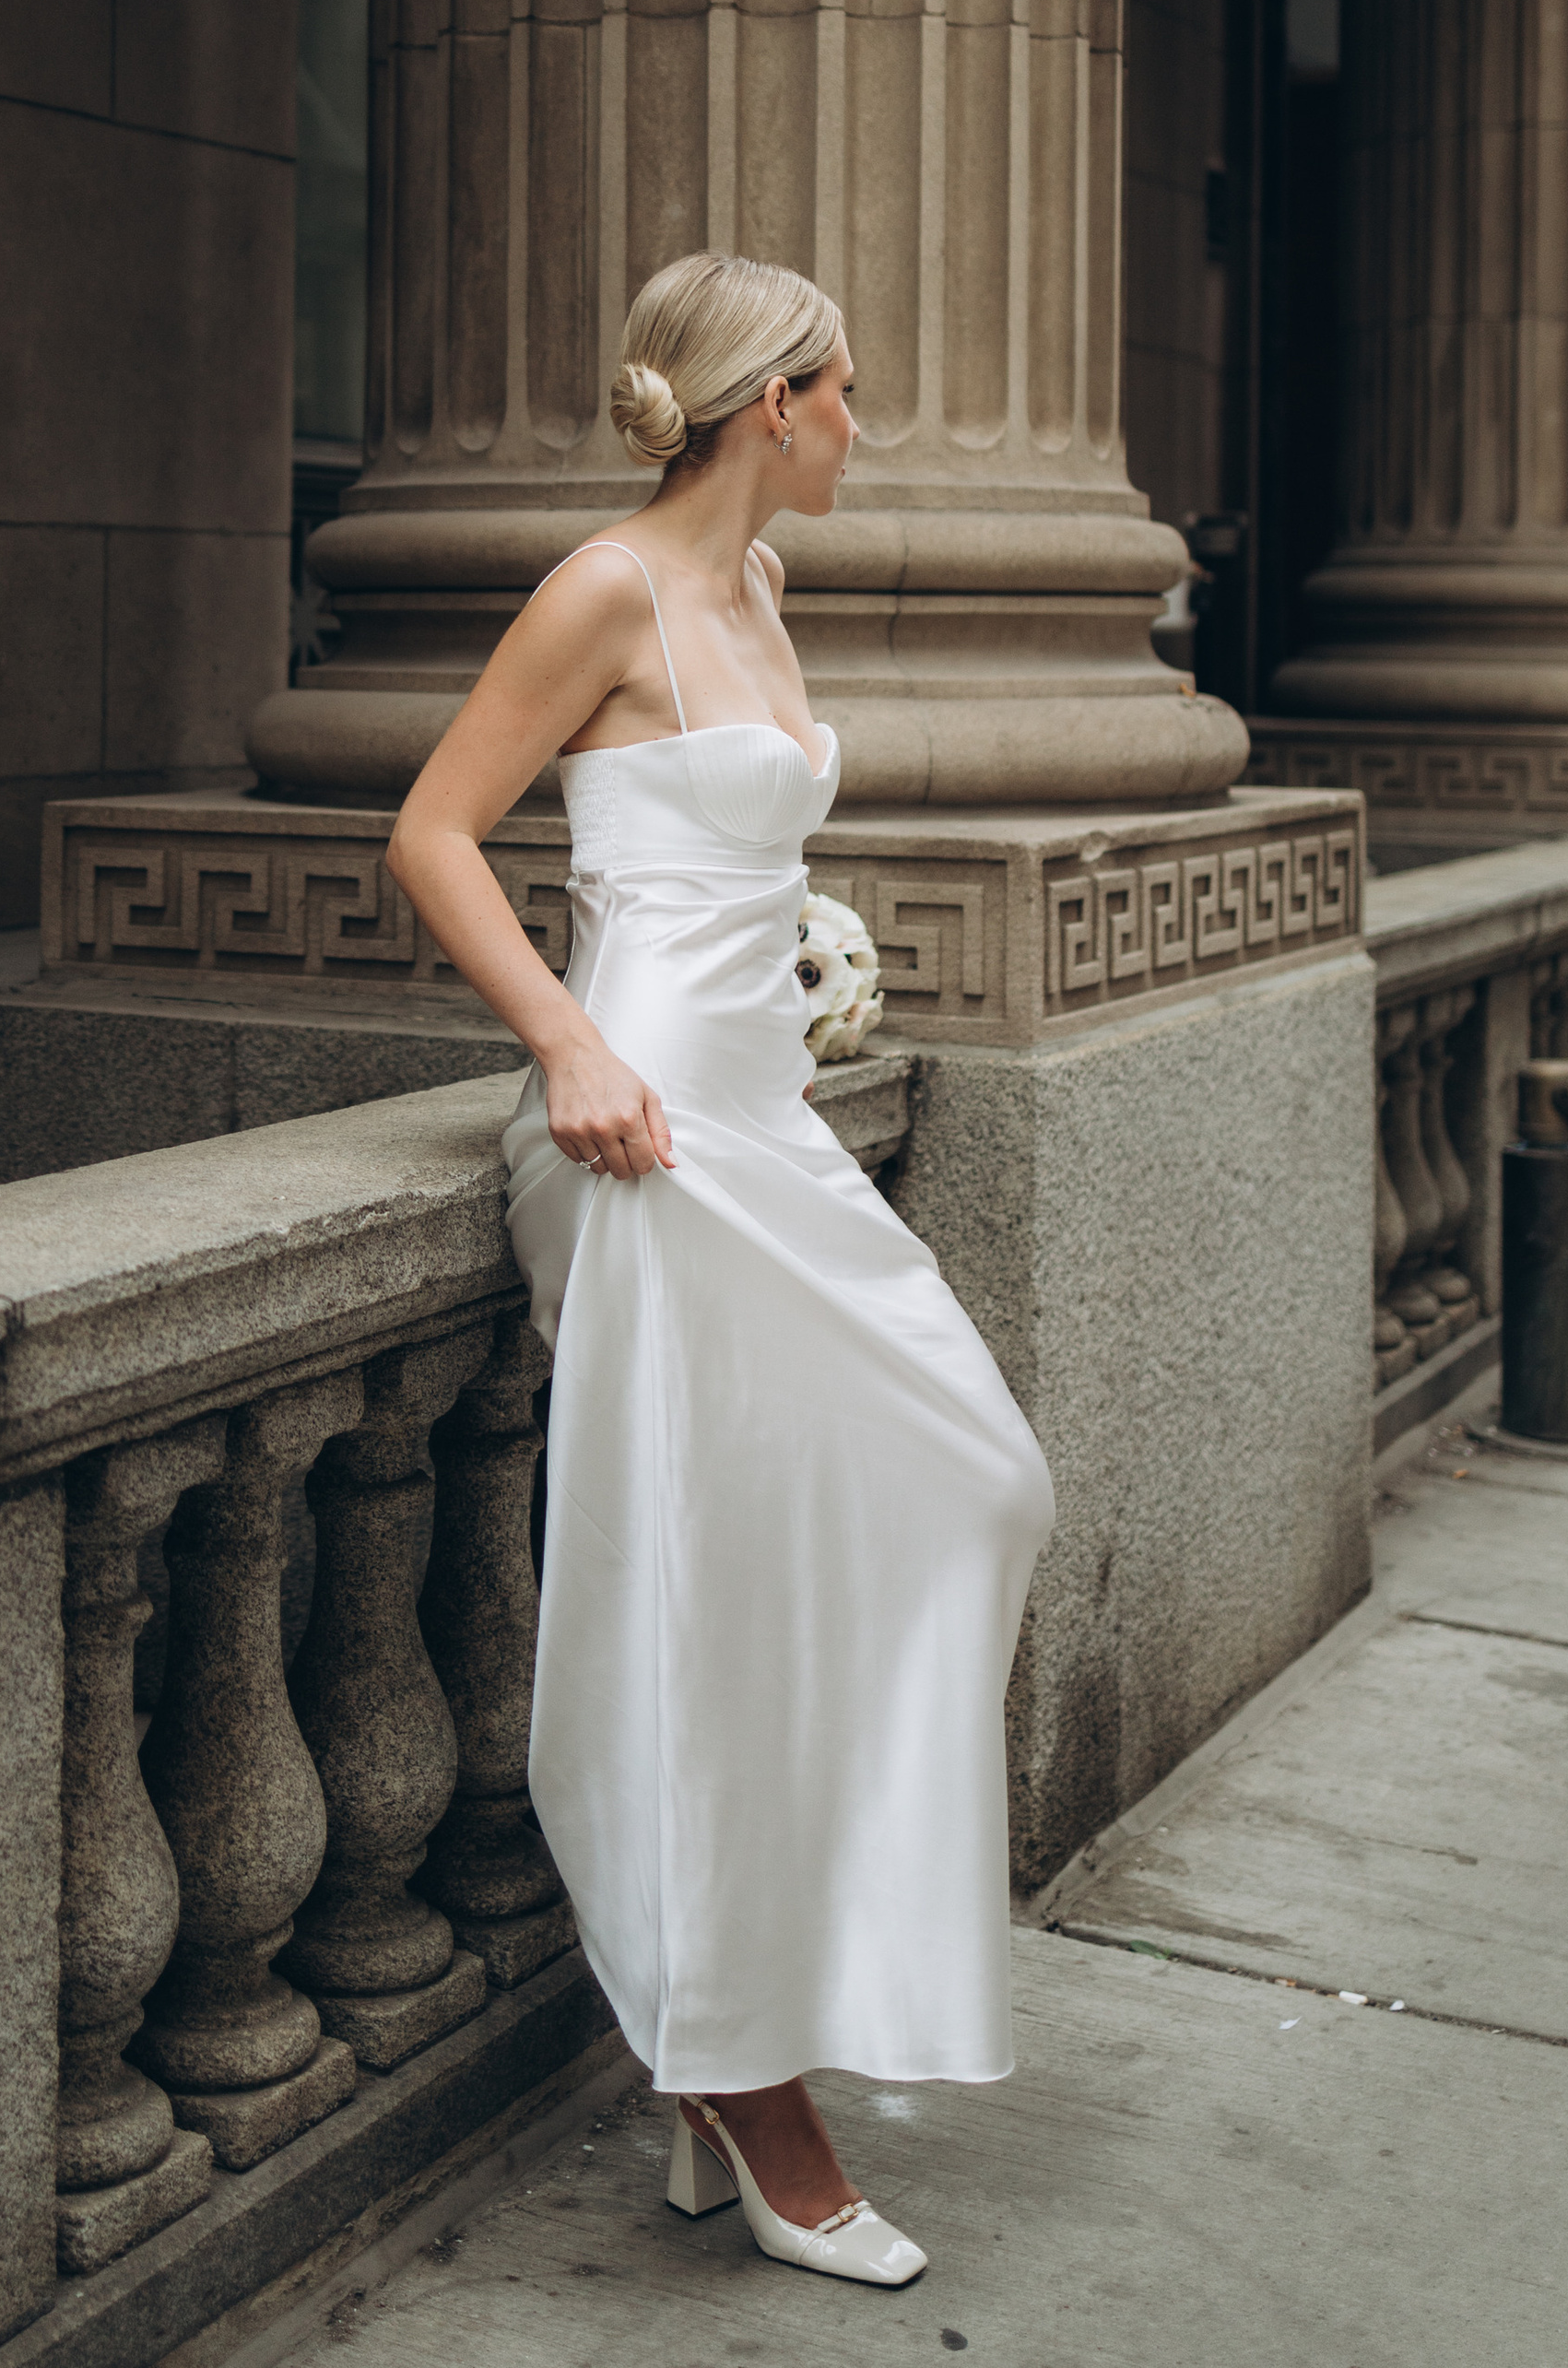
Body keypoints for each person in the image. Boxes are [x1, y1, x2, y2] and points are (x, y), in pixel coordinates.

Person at [388, 252, 1055, 2292]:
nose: (864, 423)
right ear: (770, 404)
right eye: (848, 389)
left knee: (971, 1482)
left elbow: (710, 857)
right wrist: (571, 1047)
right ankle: (745, 2089)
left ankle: (733, 2055)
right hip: (647, 1138)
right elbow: (429, 833)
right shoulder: (602, 588)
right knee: (700, 1604)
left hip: (757, 1116)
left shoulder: (758, 597)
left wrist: (794, 962)